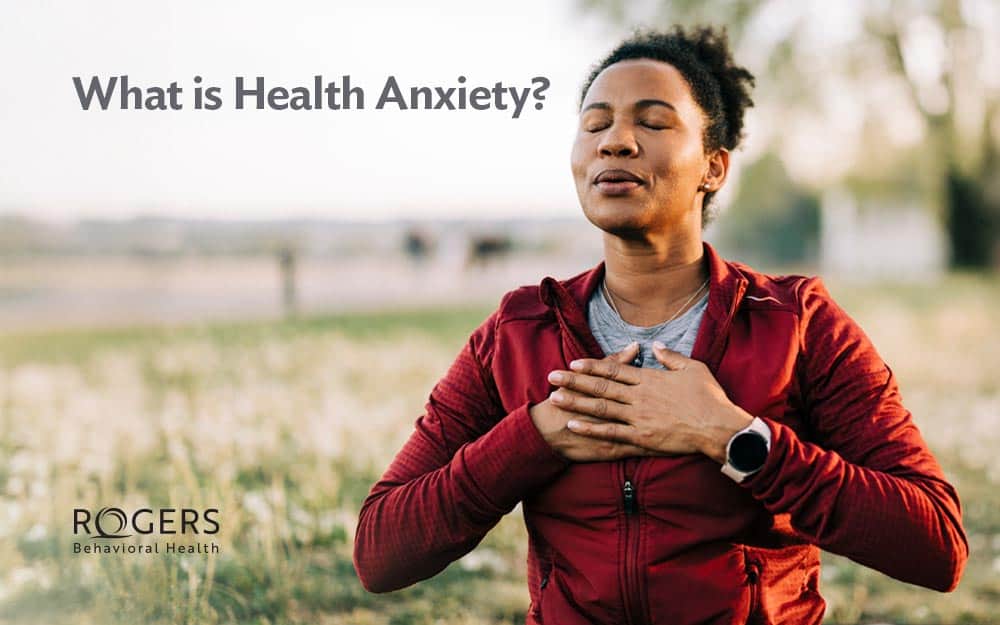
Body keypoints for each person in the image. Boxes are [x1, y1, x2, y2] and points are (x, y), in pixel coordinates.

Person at [353, 25, 968, 625]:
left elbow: (937, 545)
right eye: (595, 124)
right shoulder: (516, 334)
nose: (614, 142)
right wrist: (534, 437)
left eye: (652, 122)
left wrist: (734, 437)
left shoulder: (798, 325)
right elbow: (380, 554)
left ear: (714, 167)